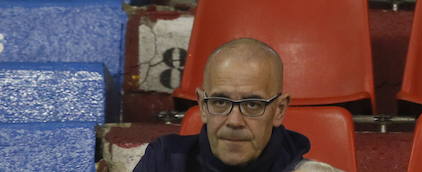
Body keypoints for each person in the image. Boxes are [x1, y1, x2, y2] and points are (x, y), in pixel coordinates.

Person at [134, 38, 340, 171]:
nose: (234, 121)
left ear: (279, 110)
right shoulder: (166, 161)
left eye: (252, 105)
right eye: (220, 102)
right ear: (203, 106)